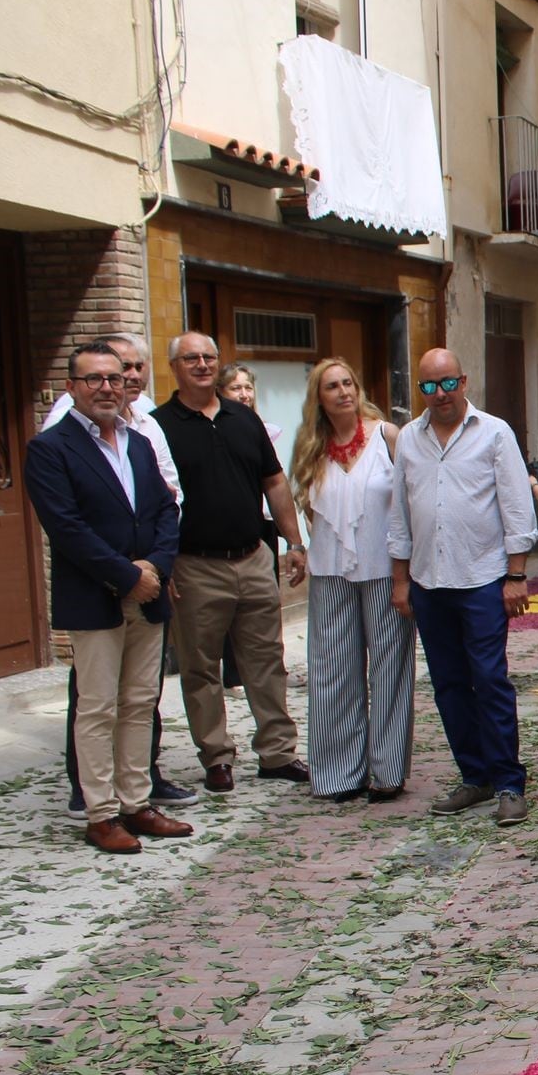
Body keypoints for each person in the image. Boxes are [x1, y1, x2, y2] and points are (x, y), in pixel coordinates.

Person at [24, 342, 193, 853]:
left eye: (113, 379)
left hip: (148, 593)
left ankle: (136, 803)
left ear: (126, 386)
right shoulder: (49, 450)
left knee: (141, 702)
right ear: (72, 388)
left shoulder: (139, 443)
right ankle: (100, 814)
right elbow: (67, 529)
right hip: (96, 597)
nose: (105, 388)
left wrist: (156, 568)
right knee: (98, 707)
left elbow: (167, 511)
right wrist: (126, 576)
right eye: (93, 379)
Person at [151, 331, 311, 793]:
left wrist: (294, 543)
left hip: (254, 557)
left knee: (267, 661)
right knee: (201, 668)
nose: (201, 364)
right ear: (175, 367)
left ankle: (278, 754)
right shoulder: (159, 425)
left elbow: (275, 483)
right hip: (194, 564)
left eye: (208, 357)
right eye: (190, 358)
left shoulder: (245, 419)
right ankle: (216, 757)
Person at [389, 348, 538, 825]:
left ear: (464, 381)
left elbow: (517, 507)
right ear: (422, 392)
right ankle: (474, 777)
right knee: (449, 685)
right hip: (429, 582)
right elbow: (400, 513)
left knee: (490, 680)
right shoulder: (409, 440)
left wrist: (516, 575)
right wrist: (400, 580)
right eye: (429, 387)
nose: (440, 394)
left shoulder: (494, 432)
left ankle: (509, 782)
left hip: (482, 579)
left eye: (448, 383)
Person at [289, 358, 415, 803]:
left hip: (384, 570)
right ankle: (338, 773)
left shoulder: (387, 436)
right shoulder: (310, 446)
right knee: (332, 671)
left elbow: (407, 503)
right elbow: (307, 510)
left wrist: (406, 572)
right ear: (318, 397)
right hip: (329, 572)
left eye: (348, 383)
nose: (342, 391)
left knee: (389, 669)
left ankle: (386, 771)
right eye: (331, 386)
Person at [213, 362, 280, 687]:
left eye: (248, 387)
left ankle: (266, 669)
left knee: (264, 602)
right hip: (232, 529)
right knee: (231, 606)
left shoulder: (263, 428)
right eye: (235, 388)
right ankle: (235, 673)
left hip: (265, 525)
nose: (244, 394)